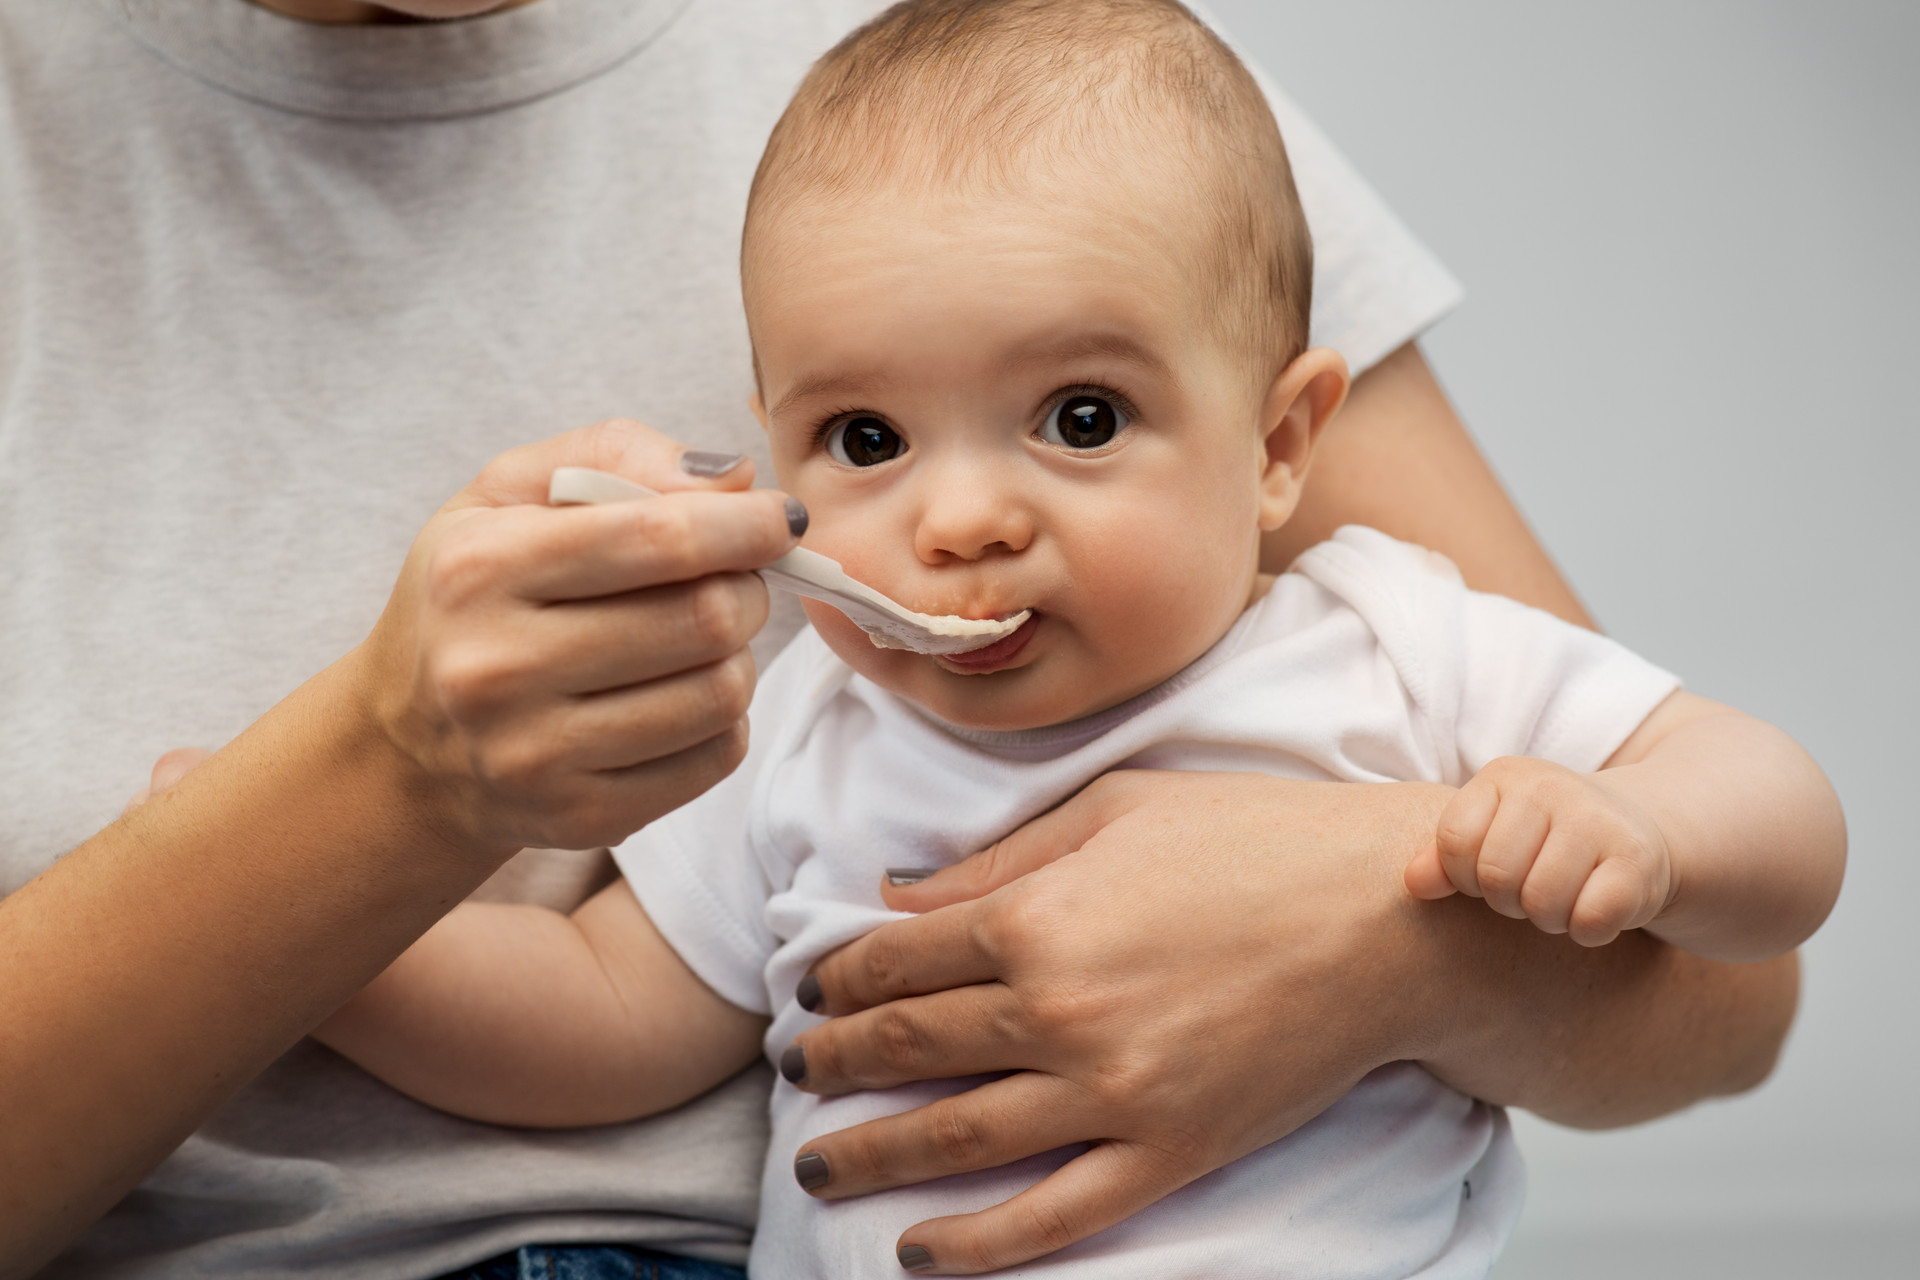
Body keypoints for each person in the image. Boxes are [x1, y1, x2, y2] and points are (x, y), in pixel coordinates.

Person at [0, 0, 1818, 1277]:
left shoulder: (1389, 642)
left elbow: (1754, 852)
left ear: (1280, 445)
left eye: (1081, 421)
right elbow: (615, 1016)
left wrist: (1618, 843)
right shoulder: (807, 731)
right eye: (865, 444)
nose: (956, 516)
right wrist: (315, 876)